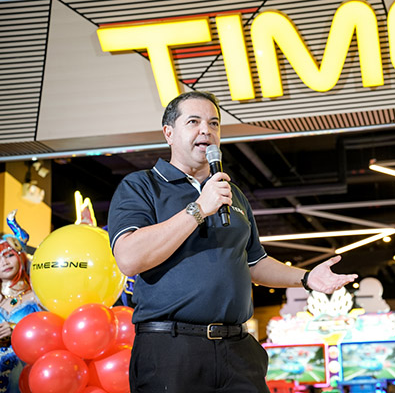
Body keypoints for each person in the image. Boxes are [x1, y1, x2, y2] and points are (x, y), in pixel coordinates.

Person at [107, 90, 358, 393]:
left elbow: (255, 263)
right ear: (168, 133)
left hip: (238, 350)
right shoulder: (142, 186)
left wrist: (305, 278)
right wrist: (199, 209)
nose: (206, 130)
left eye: (214, 123)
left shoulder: (231, 193)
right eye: (194, 122)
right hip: (171, 351)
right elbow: (129, 258)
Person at [0, 234, 42, 393]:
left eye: (9, 255)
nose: (4, 262)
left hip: (27, 376)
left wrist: (16, 330)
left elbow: (53, 333)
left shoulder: (38, 296)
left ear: (21, 256)